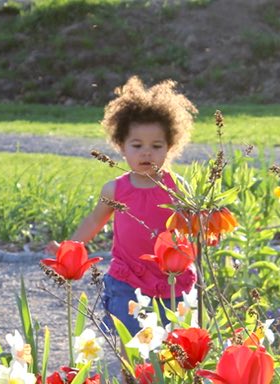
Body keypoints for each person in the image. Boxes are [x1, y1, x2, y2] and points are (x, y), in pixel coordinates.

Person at [48, 76, 198, 336]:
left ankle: (161, 379)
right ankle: (131, 378)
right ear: (122, 147)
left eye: (156, 146)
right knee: (131, 340)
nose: (146, 153)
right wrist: (70, 249)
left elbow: (193, 227)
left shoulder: (177, 187)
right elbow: (95, 221)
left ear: (170, 147)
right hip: (128, 279)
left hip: (172, 279)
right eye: (137, 146)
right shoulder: (116, 189)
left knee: (172, 342)